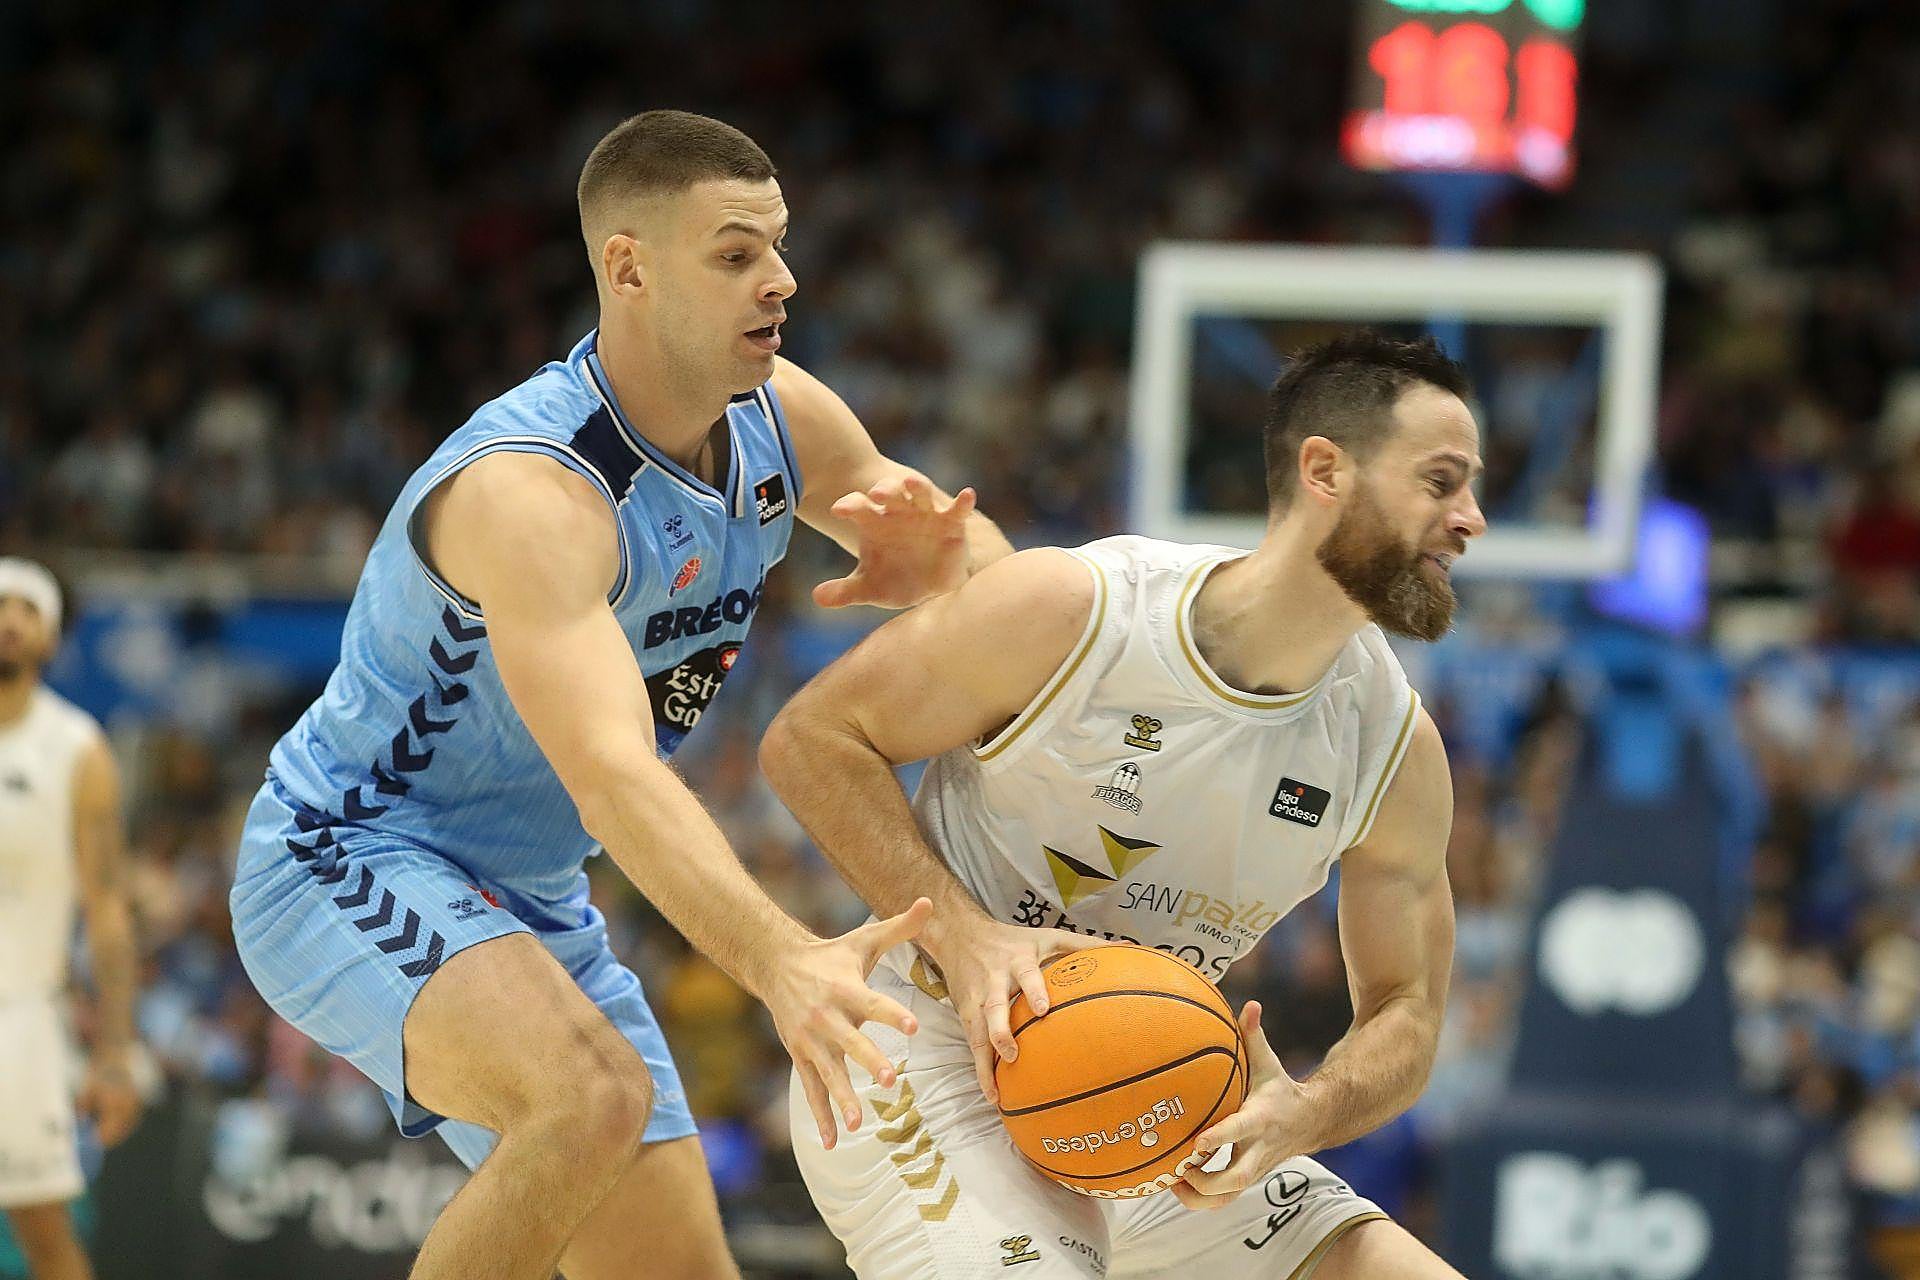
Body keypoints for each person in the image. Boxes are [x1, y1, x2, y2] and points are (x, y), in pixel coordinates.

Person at [228, 110, 1013, 1280]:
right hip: (349, 853)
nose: (784, 280)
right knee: (590, 1095)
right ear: (629, 267)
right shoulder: (532, 495)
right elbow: (613, 773)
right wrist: (786, 960)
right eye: (738, 253)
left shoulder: (783, 417)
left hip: (529, 894)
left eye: (781, 247)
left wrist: (960, 577)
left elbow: (981, 566)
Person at [761, 331, 1485, 1279]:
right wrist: (969, 938)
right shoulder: (1078, 609)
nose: (1471, 519)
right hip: (925, 1062)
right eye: (1440, 481)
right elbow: (810, 743)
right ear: (1325, 471)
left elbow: (1408, 1009)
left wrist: (1309, 1110)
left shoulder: (1393, 747)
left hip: (1154, 1102)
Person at [0, 558, 143, 1280]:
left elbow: (108, 910)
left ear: (51, 639)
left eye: (28, 608)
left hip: (20, 1021)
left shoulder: (78, 749)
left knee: (46, 1241)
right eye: (0, 603)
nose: (9, 618)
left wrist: (114, 1053)